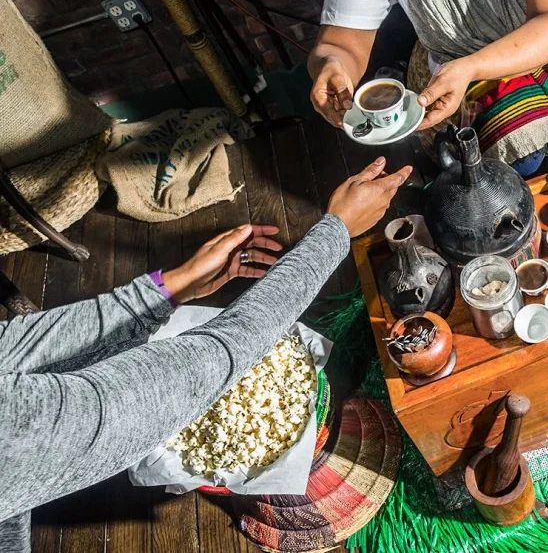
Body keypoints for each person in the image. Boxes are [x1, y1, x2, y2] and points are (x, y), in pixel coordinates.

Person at [0, 158, 412, 553]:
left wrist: (174, 287)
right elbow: (204, 366)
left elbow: (17, 345)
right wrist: (335, 231)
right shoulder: (18, 428)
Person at [309, 0, 548, 176]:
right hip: (465, 59)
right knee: (515, 158)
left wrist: (470, 67)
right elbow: (341, 43)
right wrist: (333, 64)